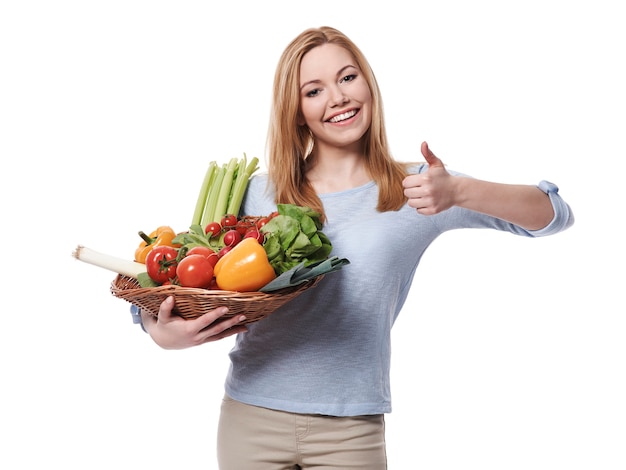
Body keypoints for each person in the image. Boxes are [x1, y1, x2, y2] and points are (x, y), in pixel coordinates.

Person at [138, 26, 574, 469]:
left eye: (347, 78)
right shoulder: (258, 194)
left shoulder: (420, 188)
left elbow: (553, 214)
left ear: (368, 84)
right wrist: (157, 330)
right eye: (314, 90)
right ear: (296, 111)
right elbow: (169, 276)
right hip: (251, 419)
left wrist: (461, 191)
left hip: (351, 428)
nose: (338, 98)